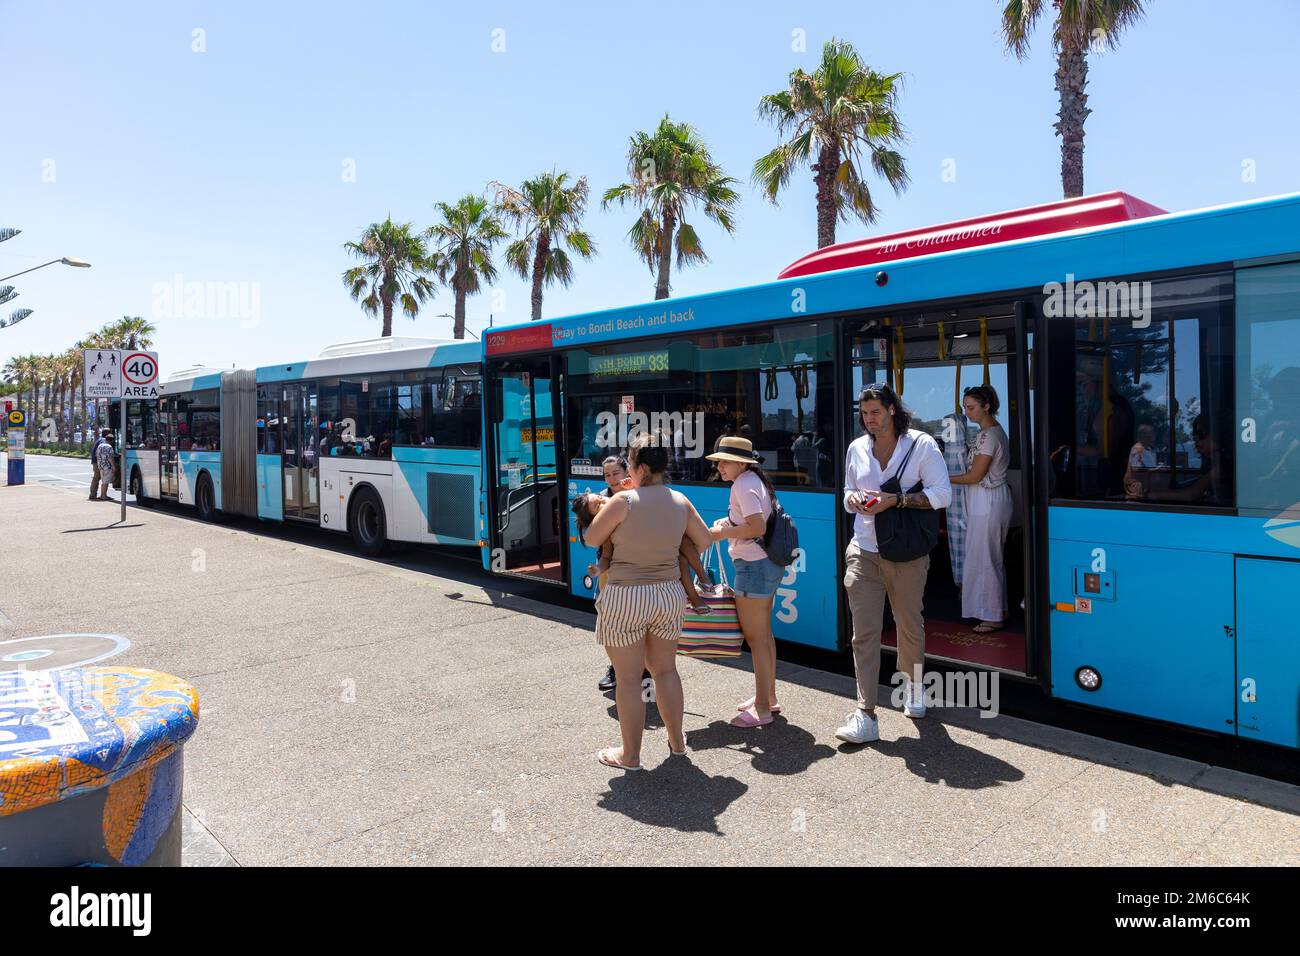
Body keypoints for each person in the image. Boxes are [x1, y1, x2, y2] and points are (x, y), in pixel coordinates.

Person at [583, 431, 712, 770]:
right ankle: (678, 743)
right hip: (668, 593)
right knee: (666, 670)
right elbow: (704, 539)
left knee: (627, 679)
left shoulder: (623, 502)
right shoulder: (679, 500)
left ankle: (631, 755)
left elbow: (590, 537)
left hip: (626, 595)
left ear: (637, 466)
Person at [836, 382, 951, 745]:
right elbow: (846, 493)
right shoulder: (856, 448)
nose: (869, 419)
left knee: (908, 624)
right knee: (864, 633)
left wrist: (895, 501)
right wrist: (855, 500)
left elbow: (942, 494)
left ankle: (914, 687)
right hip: (863, 549)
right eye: (864, 413)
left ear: (891, 410)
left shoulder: (921, 445)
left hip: (905, 553)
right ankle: (865, 713)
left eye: (875, 412)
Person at [705, 436, 782, 728]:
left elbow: (757, 526)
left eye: (723, 461)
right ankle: (768, 698)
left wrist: (721, 534)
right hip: (764, 564)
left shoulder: (742, 484)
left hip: (753, 566)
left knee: (757, 640)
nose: (720, 466)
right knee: (764, 637)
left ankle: (762, 708)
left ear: (740, 463)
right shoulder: (753, 481)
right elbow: (755, 523)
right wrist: (729, 526)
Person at [948, 385, 1013, 634]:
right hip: (988, 498)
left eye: (972, 407)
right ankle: (997, 609)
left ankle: (992, 615)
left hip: (987, 499)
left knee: (985, 557)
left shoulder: (989, 436)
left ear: (986, 407)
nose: (968, 412)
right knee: (989, 556)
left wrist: (946, 478)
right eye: (966, 407)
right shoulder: (990, 433)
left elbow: (975, 475)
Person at [93, 431, 117, 501]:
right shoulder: (109, 447)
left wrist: (99, 464)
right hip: (107, 466)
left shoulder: (100, 446)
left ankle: (102, 495)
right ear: (111, 440)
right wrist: (113, 466)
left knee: (103, 481)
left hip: (101, 466)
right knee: (106, 482)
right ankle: (104, 496)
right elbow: (110, 457)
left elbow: (97, 455)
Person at [88, 428, 110, 501]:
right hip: (98, 462)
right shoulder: (103, 441)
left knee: (97, 478)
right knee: (102, 478)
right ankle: (101, 495)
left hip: (95, 461)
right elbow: (103, 451)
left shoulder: (99, 439)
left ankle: (94, 494)